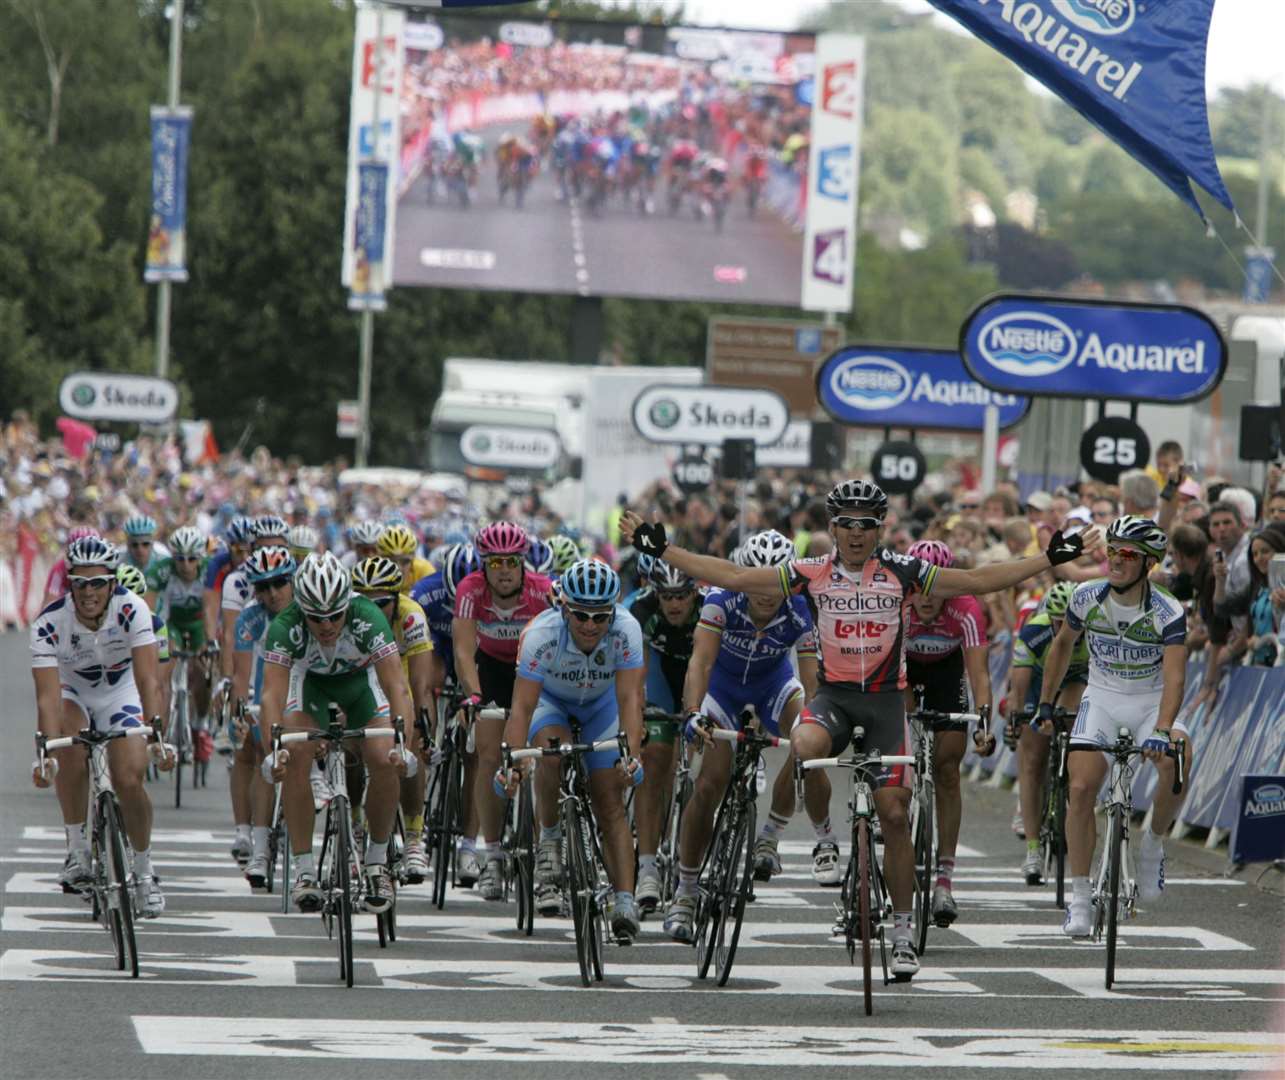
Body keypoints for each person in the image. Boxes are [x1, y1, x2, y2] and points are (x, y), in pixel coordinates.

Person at [621, 480, 1098, 979]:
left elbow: (978, 581)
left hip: (888, 705)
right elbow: (737, 576)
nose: (854, 533)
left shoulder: (903, 572)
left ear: (879, 529)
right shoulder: (812, 573)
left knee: (894, 814)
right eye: (845, 523)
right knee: (803, 745)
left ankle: (902, 929)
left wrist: (1046, 558)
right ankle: (810, 838)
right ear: (831, 528)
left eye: (865, 524)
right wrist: (664, 548)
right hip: (835, 700)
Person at [1034, 516, 1190, 937]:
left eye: (1128, 554)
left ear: (1147, 564)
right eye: (1113, 550)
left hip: (1152, 701)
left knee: (1178, 761)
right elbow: (1062, 645)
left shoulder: (1167, 610)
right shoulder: (1086, 596)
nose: (1116, 559)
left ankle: (1155, 844)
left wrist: (1161, 729)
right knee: (1081, 788)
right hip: (1102, 698)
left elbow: (1176, 678)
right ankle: (1081, 900)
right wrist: (1046, 704)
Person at [663, 530, 819, 943]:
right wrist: (694, 713)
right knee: (711, 784)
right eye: (757, 580)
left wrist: (817, 721)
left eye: (777, 582)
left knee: (806, 738)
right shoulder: (720, 600)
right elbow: (700, 662)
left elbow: (811, 681)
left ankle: (769, 838)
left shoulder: (802, 610)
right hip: (723, 689)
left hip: (773, 687)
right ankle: (686, 890)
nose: (767, 592)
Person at [497, 559, 646, 941]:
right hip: (553, 704)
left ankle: (625, 899)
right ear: (564, 608)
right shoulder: (541, 634)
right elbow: (523, 708)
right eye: (581, 615)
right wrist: (511, 761)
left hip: (602, 706)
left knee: (609, 798)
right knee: (552, 751)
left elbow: (630, 698)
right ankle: (549, 838)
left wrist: (632, 755)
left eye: (600, 617)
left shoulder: (627, 630)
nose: (590, 625)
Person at [261, 552, 414, 915]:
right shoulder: (286, 626)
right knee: (296, 754)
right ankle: (304, 870)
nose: (326, 625)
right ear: (302, 609)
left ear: (348, 605)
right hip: (310, 687)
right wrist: (274, 749)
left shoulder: (367, 616)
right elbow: (272, 693)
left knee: (383, 757)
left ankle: (376, 865)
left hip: (360, 686)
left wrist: (402, 742)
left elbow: (397, 685)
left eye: (334, 616)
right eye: (316, 618)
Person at [30, 536, 173, 915]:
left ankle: (144, 871)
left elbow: (148, 681)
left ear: (113, 583)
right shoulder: (49, 624)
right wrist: (45, 752)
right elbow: (46, 698)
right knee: (69, 746)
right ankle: (76, 851)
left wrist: (156, 734)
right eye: (79, 582)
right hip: (72, 692)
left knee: (129, 778)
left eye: (97, 582)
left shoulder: (133, 610)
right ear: (70, 584)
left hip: (120, 691)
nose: (88, 591)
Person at [453, 522, 552, 898]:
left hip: (535, 670)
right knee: (489, 755)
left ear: (523, 562)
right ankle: (492, 855)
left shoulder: (542, 592)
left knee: (545, 752)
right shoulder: (471, 589)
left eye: (512, 561)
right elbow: (464, 650)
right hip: (492, 670)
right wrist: (474, 696)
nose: (505, 570)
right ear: (485, 566)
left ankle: (548, 851)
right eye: (496, 563)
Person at [902, 539, 995, 927]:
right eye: (921, 587)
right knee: (895, 751)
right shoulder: (898, 603)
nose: (927, 598)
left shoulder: (965, 608)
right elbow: (888, 670)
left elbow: (979, 675)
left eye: (936, 589)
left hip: (946, 672)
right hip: (902, 670)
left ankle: (944, 881)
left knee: (947, 768)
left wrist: (984, 725)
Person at [351, 555, 444, 884]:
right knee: (351, 741)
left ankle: (415, 835)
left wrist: (422, 722)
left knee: (413, 739)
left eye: (382, 604)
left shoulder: (410, 615)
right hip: (363, 681)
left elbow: (421, 682)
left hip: (400, 678)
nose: (374, 611)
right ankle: (355, 827)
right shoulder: (349, 617)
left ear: (396, 599)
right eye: (366, 603)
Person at [626, 556, 702, 914]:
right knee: (655, 758)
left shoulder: (708, 610)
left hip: (697, 672)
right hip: (657, 675)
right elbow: (636, 678)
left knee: (707, 763)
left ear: (694, 593)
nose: (674, 604)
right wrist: (637, 719)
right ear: (655, 593)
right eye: (666, 596)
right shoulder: (640, 611)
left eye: (681, 596)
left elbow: (713, 667)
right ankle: (647, 866)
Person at [1005, 579, 1089, 883]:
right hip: (1040, 678)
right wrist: (1016, 717)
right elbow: (1019, 687)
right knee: (1032, 761)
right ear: (1048, 617)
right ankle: (1032, 849)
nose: (1063, 627)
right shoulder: (1034, 632)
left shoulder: (1092, 631)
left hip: (1076, 676)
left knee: (1072, 719)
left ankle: (1069, 782)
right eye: (1058, 621)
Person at [230, 544, 297, 888]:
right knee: (264, 756)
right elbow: (242, 675)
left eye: (280, 583)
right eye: (263, 587)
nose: (272, 593)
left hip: (304, 688)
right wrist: (241, 712)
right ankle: (260, 850)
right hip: (266, 689)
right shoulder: (251, 617)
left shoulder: (309, 609)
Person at [376, 523, 435, 594]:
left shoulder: (424, 569)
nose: (398, 567)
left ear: (413, 557)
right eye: (391, 561)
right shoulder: (373, 573)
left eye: (405, 562)